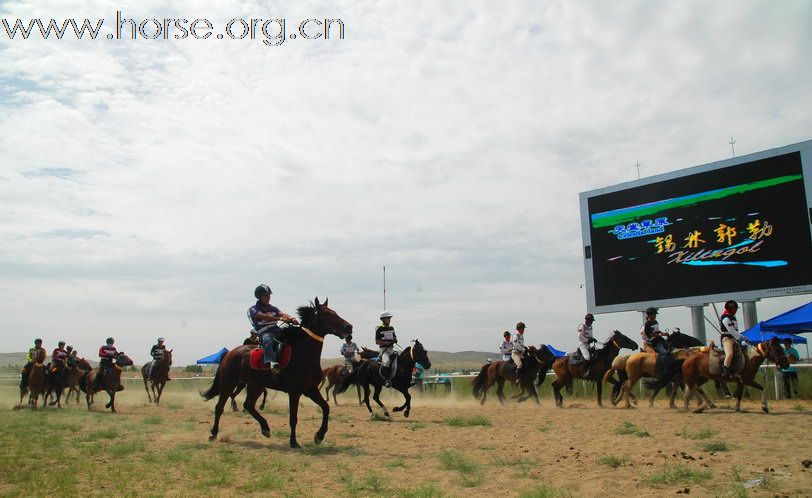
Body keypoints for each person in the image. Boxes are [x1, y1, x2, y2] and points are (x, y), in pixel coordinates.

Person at [247, 284, 299, 372]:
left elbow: (282, 314)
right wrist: (280, 318)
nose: (268, 297)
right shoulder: (253, 309)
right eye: (265, 296)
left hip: (277, 330)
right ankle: (270, 362)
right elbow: (262, 316)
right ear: (259, 297)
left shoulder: (273, 308)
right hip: (264, 333)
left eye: (269, 295)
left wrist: (291, 318)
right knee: (268, 339)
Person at [719, 300, 744, 378]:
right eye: (735, 309)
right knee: (730, 354)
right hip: (727, 339)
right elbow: (731, 330)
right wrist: (741, 337)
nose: (736, 310)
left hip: (733, 338)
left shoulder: (733, 317)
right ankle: (725, 372)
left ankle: (736, 370)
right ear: (730, 309)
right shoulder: (725, 318)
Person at [375, 311, 398, 387]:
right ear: (383, 319)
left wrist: (395, 340)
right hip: (384, 350)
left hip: (391, 349)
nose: (389, 319)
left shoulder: (392, 328)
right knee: (387, 362)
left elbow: (395, 338)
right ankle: (387, 380)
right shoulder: (379, 329)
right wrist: (386, 343)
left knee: (399, 360)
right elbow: (377, 341)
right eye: (388, 318)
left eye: (389, 318)